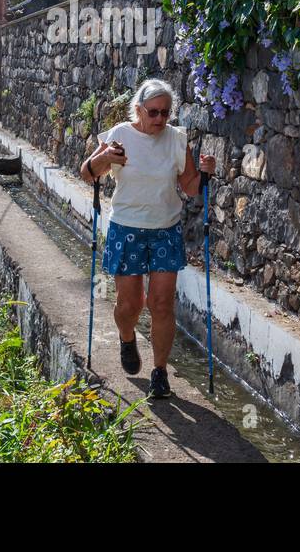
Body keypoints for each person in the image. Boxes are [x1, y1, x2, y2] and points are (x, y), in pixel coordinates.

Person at [79, 78, 215, 398]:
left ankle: (160, 372)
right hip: (126, 228)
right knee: (130, 304)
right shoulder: (119, 136)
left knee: (162, 303)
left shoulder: (177, 141)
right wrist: (105, 159)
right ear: (138, 109)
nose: (160, 119)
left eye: (165, 113)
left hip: (166, 229)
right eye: (153, 112)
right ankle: (127, 338)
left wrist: (206, 173)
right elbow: (88, 174)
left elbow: (191, 187)